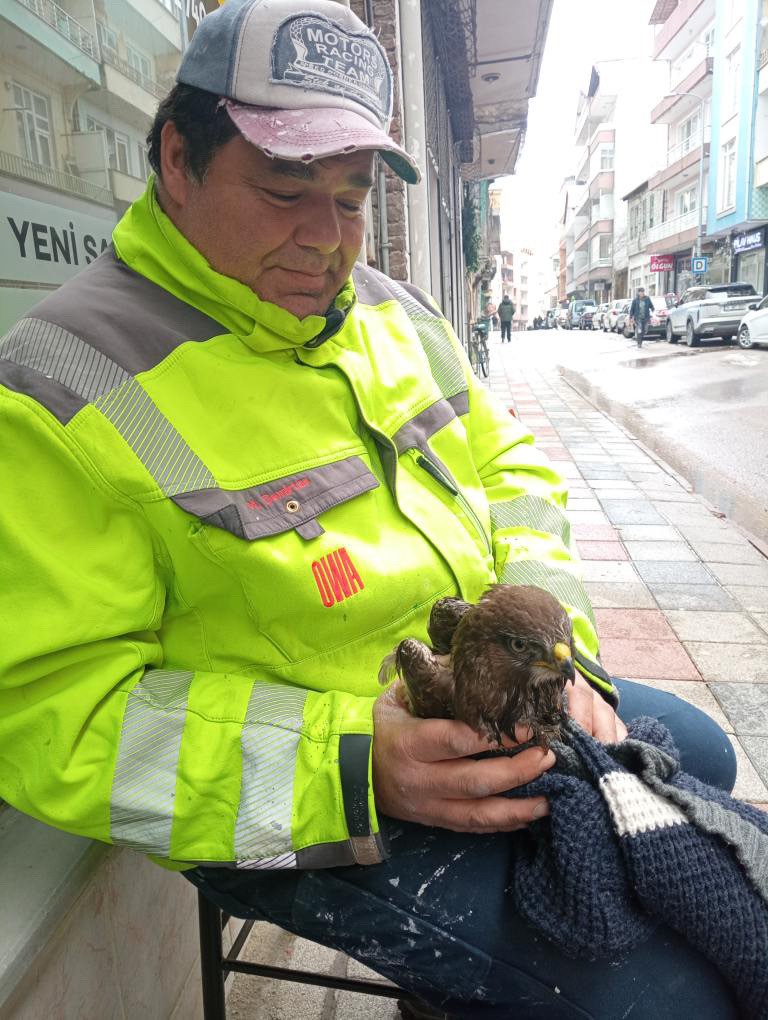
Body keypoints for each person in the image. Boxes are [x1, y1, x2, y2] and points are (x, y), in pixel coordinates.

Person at [0, 1, 738, 1016]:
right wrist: (358, 765)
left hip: (476, 704)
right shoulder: (58, 385)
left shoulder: (393, 313)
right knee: (674, 999)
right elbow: (51, 713)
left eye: (349, 200)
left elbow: (513, 468)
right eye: (283, 188)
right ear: (177, 156)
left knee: (698, 749)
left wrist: (560, 652)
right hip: (292, 795)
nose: (326, 242)